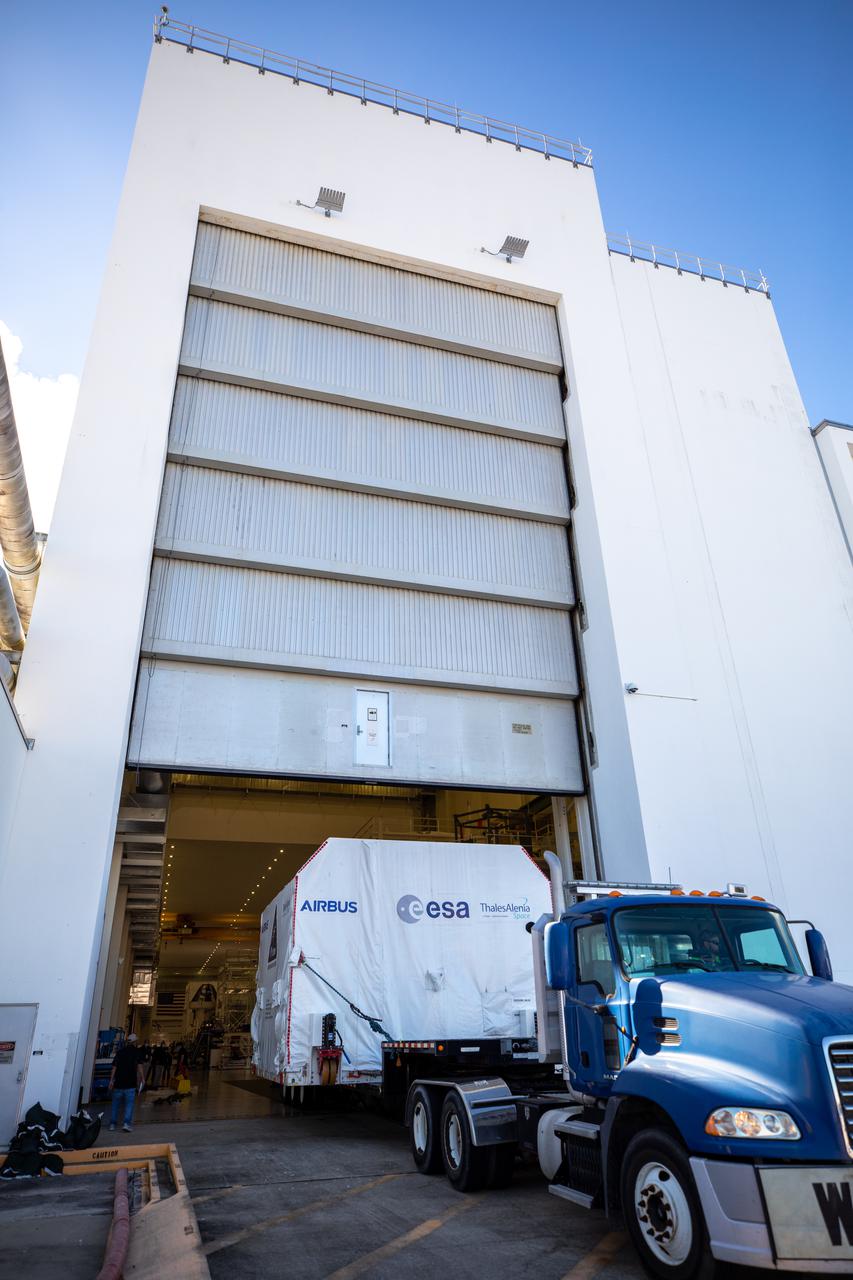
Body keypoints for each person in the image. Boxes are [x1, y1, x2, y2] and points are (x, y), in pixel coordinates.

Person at [108, 1033, 145, 1132]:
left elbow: (114, 1067)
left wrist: (111, 1080)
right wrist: (142, 1078)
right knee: (129, 1105)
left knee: (115, 1105)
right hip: (130, 1083)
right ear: (135, 1042)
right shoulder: (137, 1052)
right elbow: (140, 1067)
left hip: (118, 1083)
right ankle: (126, 1124)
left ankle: (112, 1125)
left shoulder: (120, 1052)